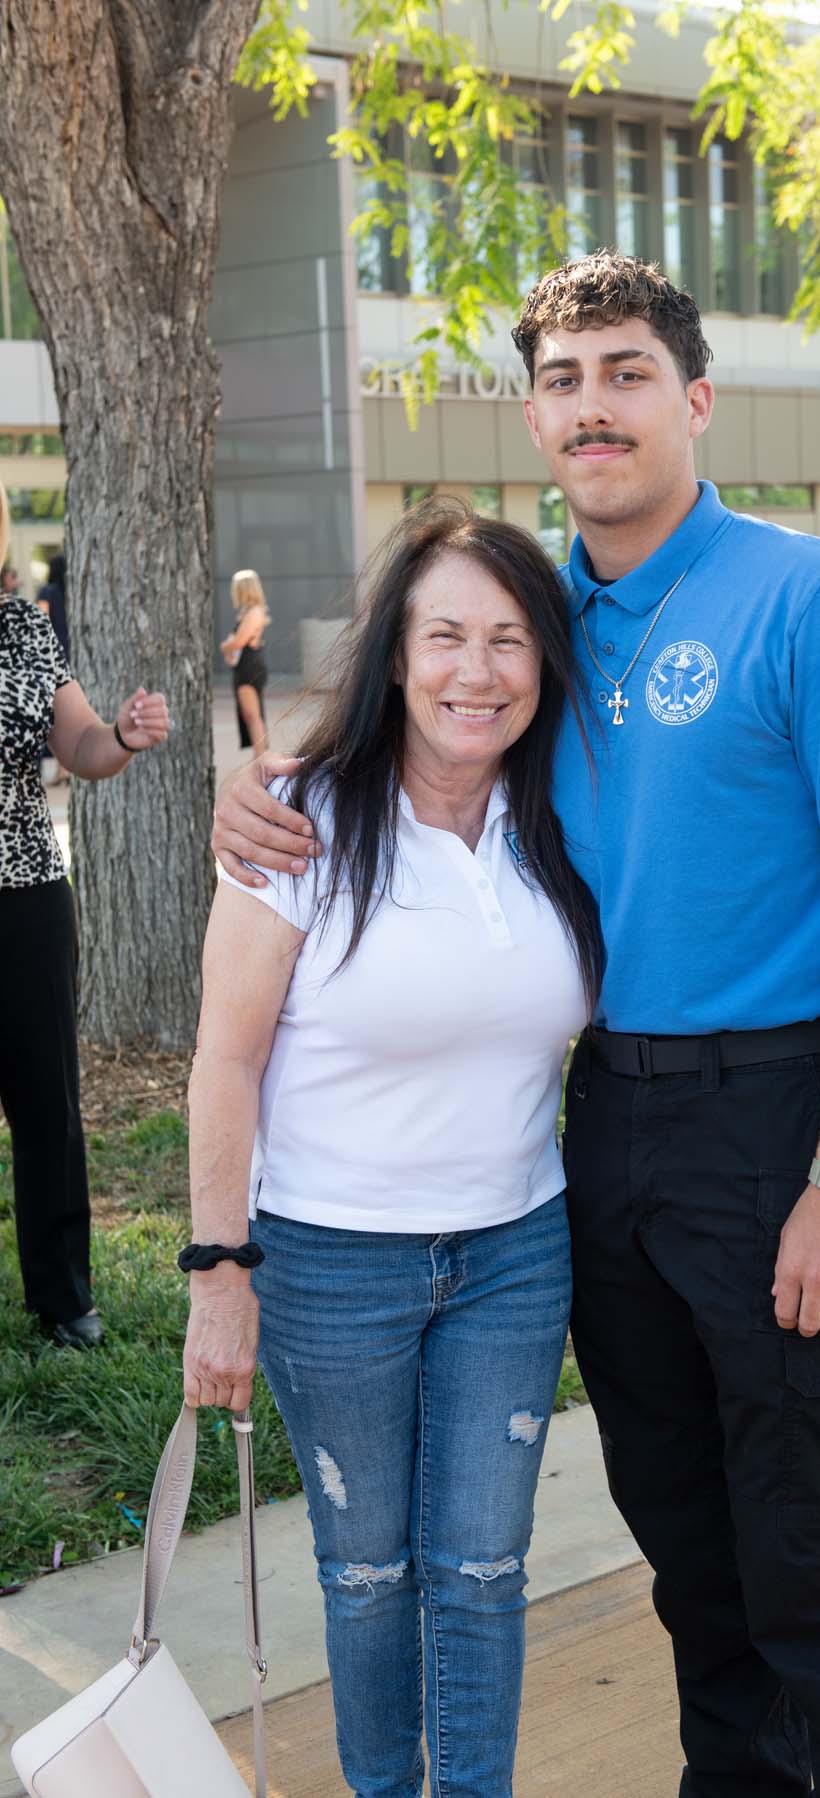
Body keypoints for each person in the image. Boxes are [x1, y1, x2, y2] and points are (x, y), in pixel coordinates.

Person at [213, 254, 820, 1796]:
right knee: (687, 1540)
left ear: (695, 398)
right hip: (607, 1131)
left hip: (787, 1115)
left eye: (625, 373)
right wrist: (250, 783)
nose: (593, 407)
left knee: (813, 1545)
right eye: (562, 382)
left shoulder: (815, 595)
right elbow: (416, 720)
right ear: (537, 422)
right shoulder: (546, 622)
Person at [185, 502, 602, 1798]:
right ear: (395, 652)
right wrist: (219, 1270)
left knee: (481, 1571)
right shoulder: (298, 820)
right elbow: (226, 1061)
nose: (476, 671)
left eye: (510, 640)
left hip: (515, 1255)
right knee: (368, 1576)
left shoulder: (567, 820)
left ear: (545, 664)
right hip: (329, 1264)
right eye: (445, 636)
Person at [0, 482, 170, 1348]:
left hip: (25, 898)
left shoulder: (24, 628)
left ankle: (63, 1297)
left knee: (47, 1103)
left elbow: (81, 748)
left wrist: (126, 736)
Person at [220, 568, 270, 753]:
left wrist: (224, 647)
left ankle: (260, 758)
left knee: (252, 715)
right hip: (246, 665)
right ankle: (260, 756)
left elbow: (240, 641)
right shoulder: (250, 611)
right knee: (251, 715)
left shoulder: (254, 612)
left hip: (249, 666)